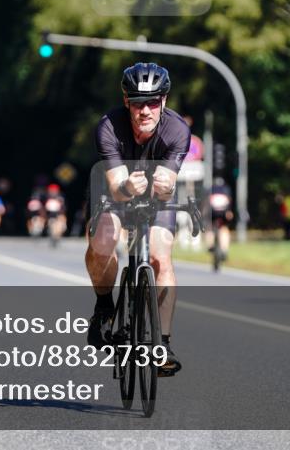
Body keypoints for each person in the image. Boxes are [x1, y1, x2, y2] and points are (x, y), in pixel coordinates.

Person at [85, 62, 190, 377]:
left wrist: (165, 183)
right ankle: (104, 306)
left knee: (160, 257)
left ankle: (163, 344)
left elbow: (170, 180)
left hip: (159, 199)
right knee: (103, 240)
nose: (145, 110)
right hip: (116, 191)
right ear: (126, 101)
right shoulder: (109, 127)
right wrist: (128, 186)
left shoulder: (177, 130)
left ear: (164, 101)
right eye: (137, 102)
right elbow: (117, 186)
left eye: (152, 102)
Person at [205, 177, 234, 260]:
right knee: (224, 229)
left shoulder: (210, 189)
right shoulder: (226, 189)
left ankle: (210, 245)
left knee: (209, 227)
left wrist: (204, 213)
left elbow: (206, 203)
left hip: (212, 213)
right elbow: (229, 202)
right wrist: (229, 212)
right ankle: (224, 250)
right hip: (224, 214)